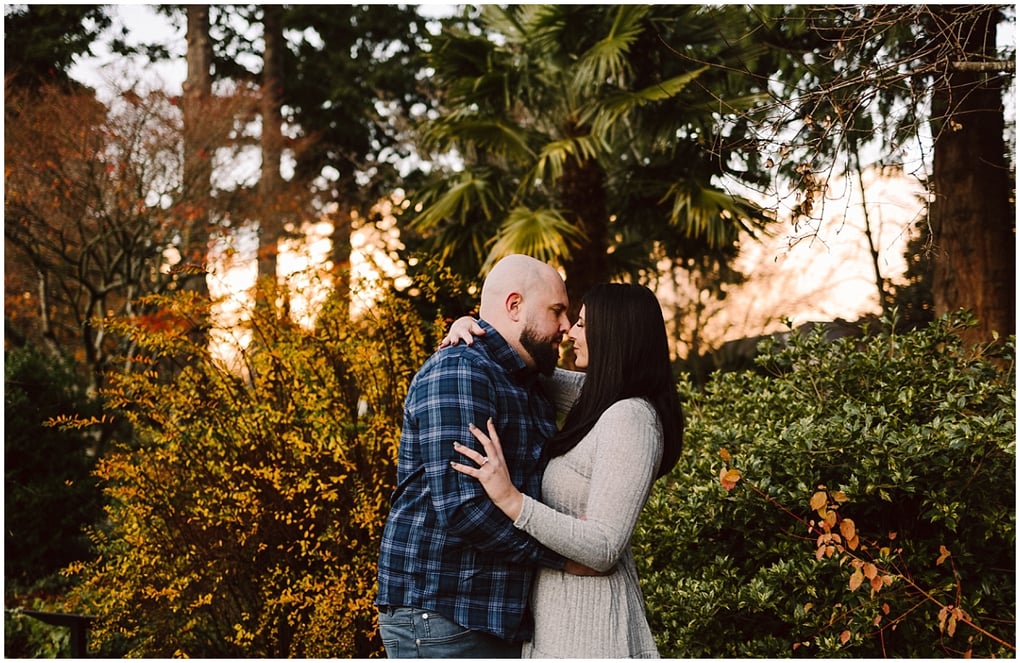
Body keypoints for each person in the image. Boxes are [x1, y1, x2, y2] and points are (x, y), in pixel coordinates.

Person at [376, 254, 600, 659]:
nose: (566, 327)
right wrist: (565, 556)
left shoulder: (526, 380)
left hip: (486, 615)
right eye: (557, 311)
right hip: (445, 615)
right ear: (514, 307)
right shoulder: (462, 371)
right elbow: (463, 507)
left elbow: (611, 393)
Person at [448, 282, 684, 658]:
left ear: (615, 334)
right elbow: (523, 363)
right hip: (559, 618)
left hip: (592, 628)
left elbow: (605, 545)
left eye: (583, 324)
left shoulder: (630, 418)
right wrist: (471, 328)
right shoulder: (601, 399)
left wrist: (513, 501)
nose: (570, 331)